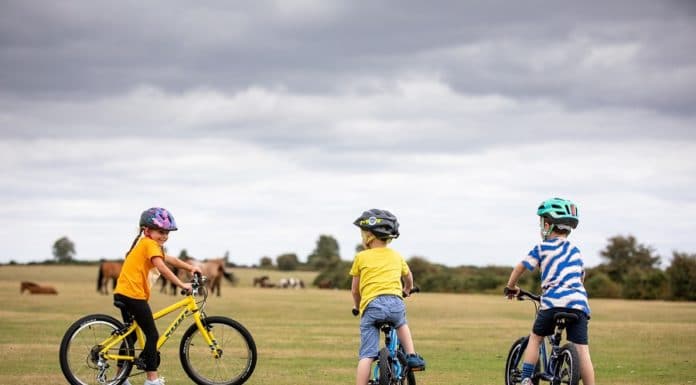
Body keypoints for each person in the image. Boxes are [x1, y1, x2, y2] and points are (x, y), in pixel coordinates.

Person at [505, 198, 595, 385]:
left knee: (536, 338)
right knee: (582, 350)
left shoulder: (542, 248)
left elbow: (521, 267)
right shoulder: (576, 251)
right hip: (579, 304)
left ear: (547, 224)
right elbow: (581, 278)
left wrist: (511, 287)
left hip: (553, 302)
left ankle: (527, 379)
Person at [114, 207, 201, 385]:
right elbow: (162, 266)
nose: (164, 236)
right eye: (161, 232)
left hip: (125, 293)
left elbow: (171, 260)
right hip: (133, 295)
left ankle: (119, 379)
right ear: (147, 231)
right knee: (152, 336)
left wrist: (190, 267)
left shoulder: (148, 244)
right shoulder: (148, 244)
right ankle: (152, 380)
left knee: (130, 337)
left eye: (167, 233)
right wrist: (181, 284)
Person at [349, 208, 426, 385]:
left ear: (369, 236)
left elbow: (355, 290)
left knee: (367, 355)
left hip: (372, 306)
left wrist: (357, 305)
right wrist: (408, 289)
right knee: (401, 324)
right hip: (395, 303)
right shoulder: (396, 255)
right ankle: (412, 355)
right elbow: (408, 277)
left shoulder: (361, 257)